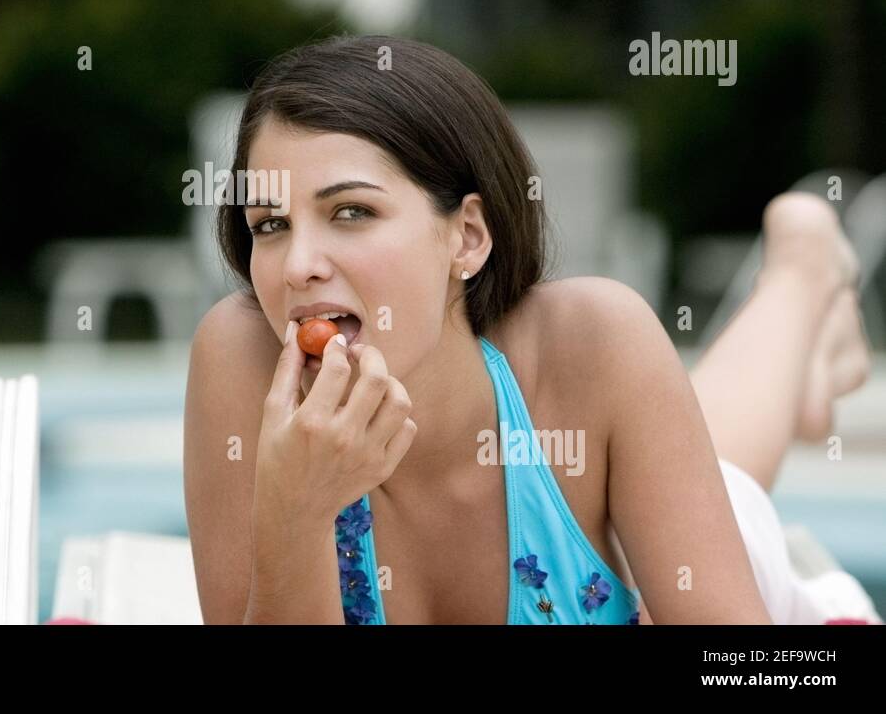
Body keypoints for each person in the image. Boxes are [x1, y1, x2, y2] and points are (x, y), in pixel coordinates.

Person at [182, 33, 875, 624]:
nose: (297, 265)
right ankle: (805, 286)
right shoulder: (241, 360)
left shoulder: (595, 341)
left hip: (684, 568)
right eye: (269, 226)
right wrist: (295, 514)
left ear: (468, 236)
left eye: (352, 212)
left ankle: (800, 275)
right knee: (708, 452)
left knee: (725, 489)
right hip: (623, 491)